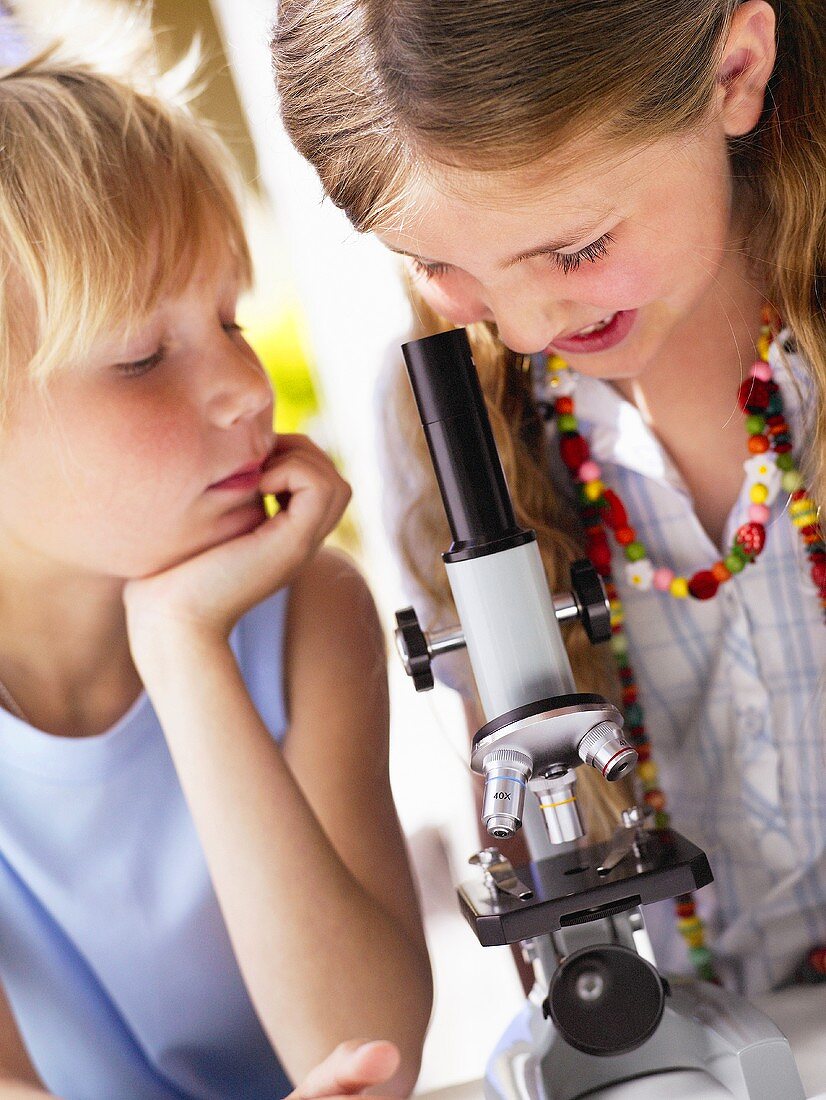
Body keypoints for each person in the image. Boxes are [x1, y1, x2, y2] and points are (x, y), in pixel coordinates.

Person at [272, 0, 826, 996]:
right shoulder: (451, 421)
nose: (525, 329)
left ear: (733, 71)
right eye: (438, 265)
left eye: (574, 252)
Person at [0, 36, 432, 1100]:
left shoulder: (306, 614)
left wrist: (185, 648)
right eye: (144, 355)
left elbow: (367, 1049)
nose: (244, 382)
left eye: (233, 317)